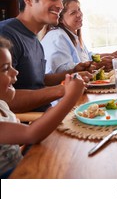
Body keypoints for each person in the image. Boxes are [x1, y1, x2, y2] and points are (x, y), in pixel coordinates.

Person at [0, 0, 91, 112]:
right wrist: (61, 90)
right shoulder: (6, 35)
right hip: (30, 125)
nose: (60, 6)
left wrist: (73, 72)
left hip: (45, 116)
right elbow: (4, 100)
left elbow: (37, 80)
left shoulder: (34, 38)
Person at [0, 36, 84, 178]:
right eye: (5, 68)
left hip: (22, 167)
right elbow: (31, 134)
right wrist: (70, 97)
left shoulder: (2, 105)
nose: (15, 72)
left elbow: (17, 142)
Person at [41, 0, 117, 74]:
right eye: (73, 13)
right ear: (60, 19)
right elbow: (60, 70)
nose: (79, 14)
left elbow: (87, 56)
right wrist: (96, 64)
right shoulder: (57, 36)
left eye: (79, 10)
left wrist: (111, 55)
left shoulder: (72, 35)